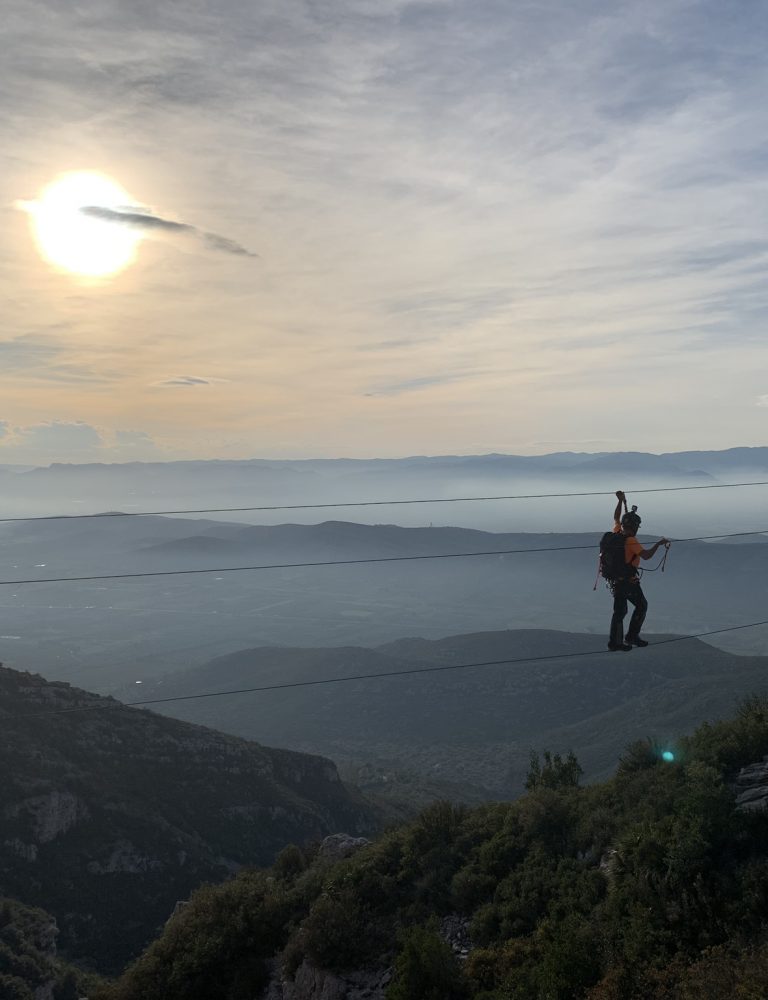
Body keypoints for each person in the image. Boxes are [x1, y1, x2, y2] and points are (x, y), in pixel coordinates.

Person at [608, 490, 670, 651]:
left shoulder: (616, 533)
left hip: (616, 581)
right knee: (641, 606)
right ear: (634, 526)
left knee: (619, 612)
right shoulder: (631, 541)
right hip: (629, 582)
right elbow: (647, 556)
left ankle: (615, 643)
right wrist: (659, 544)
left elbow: (616, 518)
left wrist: (620, 501)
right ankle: (631, 636)